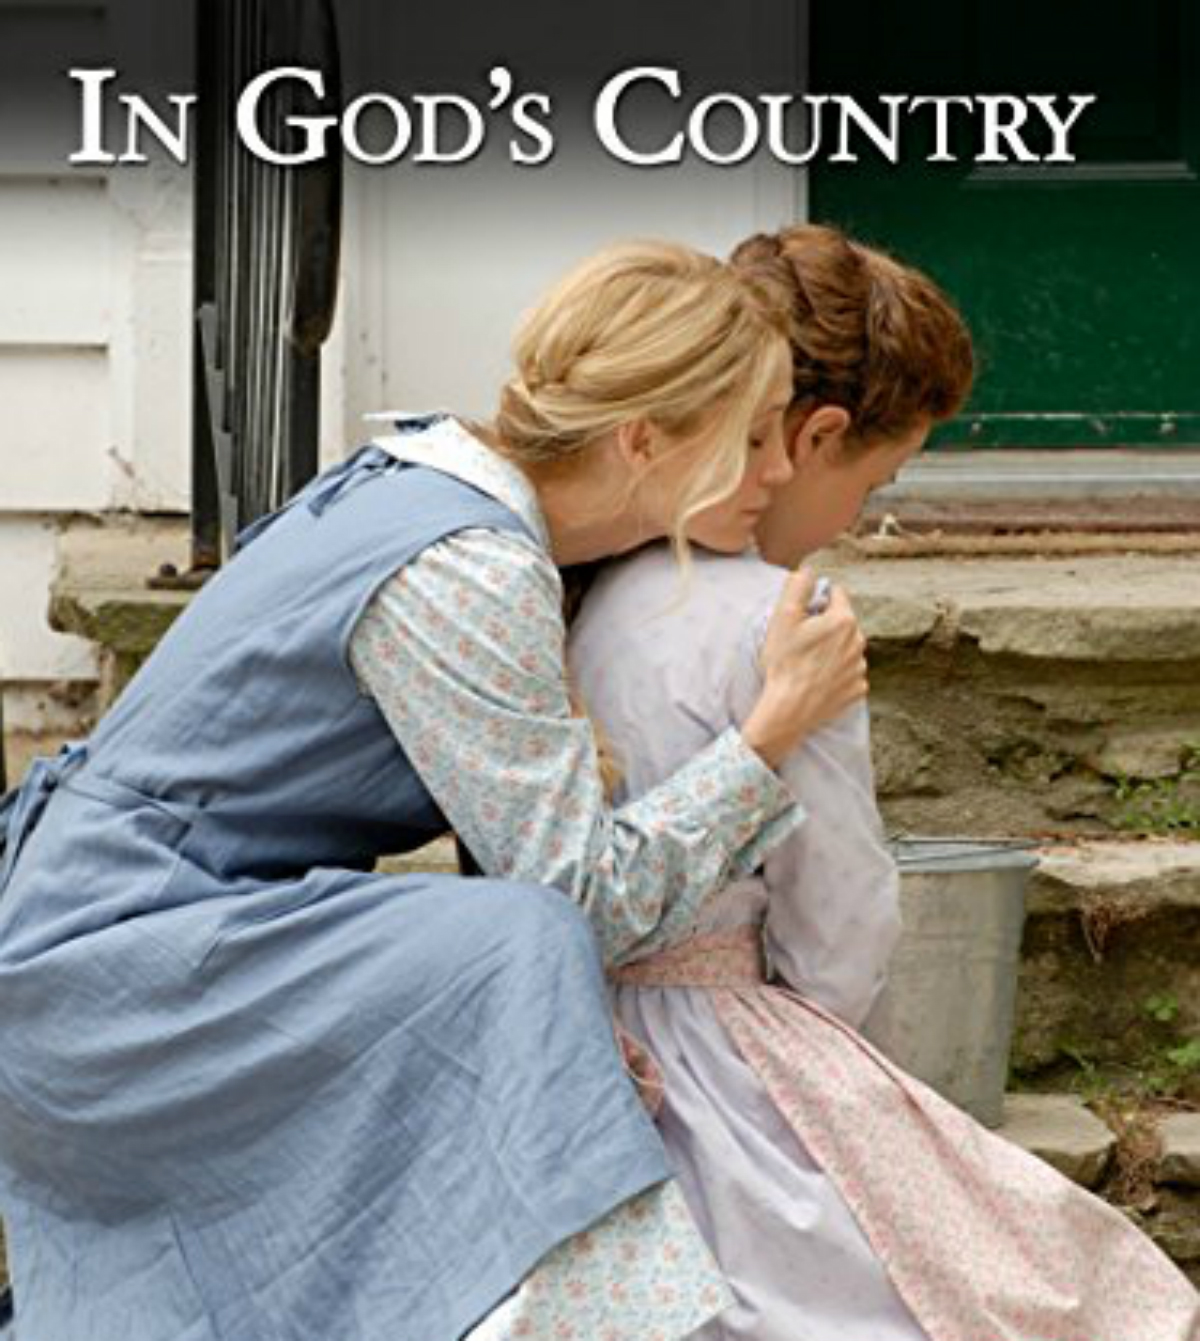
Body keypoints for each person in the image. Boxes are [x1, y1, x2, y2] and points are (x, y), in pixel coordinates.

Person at [0, 241, 870, 1341]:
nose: (781, 470)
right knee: (517, 937)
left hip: (137, 927)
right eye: (751, 438)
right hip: (112, 967)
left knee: (509, 949)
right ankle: (599, 1325)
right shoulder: (465, 568)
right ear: (644, 439)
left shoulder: (436, 482)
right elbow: (581, 894)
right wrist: (770, 731)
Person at [567, 224, 1200, 1340]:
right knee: (1036, 1286)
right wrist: (845, 1077)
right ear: (814, 437)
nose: (859, 516)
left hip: (583, 1042)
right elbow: (838, 917)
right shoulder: (789, 622)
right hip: (729, 1055)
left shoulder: (587, 589)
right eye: (876, 480)